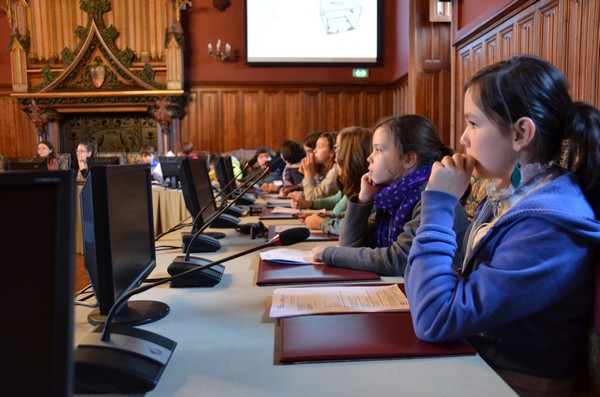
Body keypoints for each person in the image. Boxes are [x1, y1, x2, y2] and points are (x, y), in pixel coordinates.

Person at [403, 55, 600, 396]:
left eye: (473, 124)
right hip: (479, 366)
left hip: (512, 384)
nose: (463, 139)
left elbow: (435, 318)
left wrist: (438, 204)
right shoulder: (513, 195)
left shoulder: (549, 227)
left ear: (521, 133)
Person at [310, 114, 468, 275]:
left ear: (408, 159)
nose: (369, 157)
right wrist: (363, 200)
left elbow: (399, 260)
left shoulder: (432, 193)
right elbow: (349, 246)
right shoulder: (392, 195)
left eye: (378, 150)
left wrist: (328, 254)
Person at [297, 126, 372, 235]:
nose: (314, 151)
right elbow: (344, 211)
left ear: (353, 154)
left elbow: (352, 226)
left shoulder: (371, 188)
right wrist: (321, 215)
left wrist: (321, 222)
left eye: (337, 147)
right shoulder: (355, 183)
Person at [289, 131, 338, 201]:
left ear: (333, 151)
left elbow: (312, 198)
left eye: (319, 146)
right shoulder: (326, 168)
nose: (314, 151)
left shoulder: (335, 170)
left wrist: (308, 174)